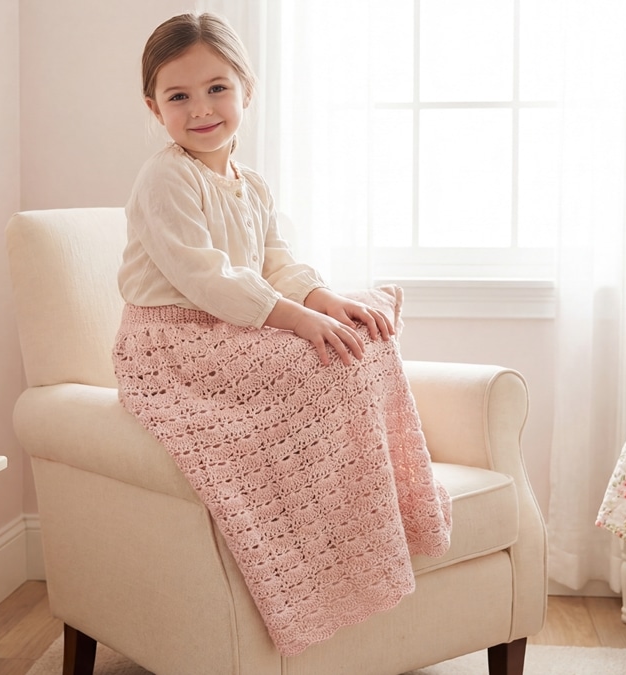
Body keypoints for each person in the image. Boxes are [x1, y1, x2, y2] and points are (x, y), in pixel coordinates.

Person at [112, 12, 452, 657]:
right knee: (326, 357)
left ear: (246, 89)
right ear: (154, 108)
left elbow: (277, 264)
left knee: (364, 330)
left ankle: (385, 504)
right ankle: (320, 532)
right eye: (178, 95)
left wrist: (322, 300)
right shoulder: (166, 177)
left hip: (235, 323)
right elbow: (207, 277)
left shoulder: (253, 184)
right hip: (172, 343)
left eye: (217, 89)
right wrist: (301, 319)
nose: (201, 109)